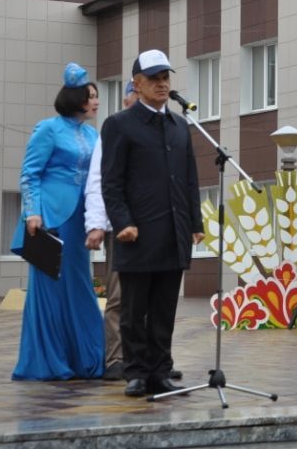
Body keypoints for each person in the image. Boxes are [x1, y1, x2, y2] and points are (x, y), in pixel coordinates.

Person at [100, 50, 205, 398]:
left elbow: (190, 177)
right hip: (137, 233)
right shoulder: (119, 124)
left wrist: (195, 220)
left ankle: (161, 371)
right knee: (134, 309)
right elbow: (111, 182)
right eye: (154, 78)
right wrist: (122, 221)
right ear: (137, 83)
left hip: (173, 232)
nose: (162, 84)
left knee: (164, 308)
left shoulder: (179, 124)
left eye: (166, 78)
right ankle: (136, 372)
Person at [84, 80, 186, 382]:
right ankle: (119, 359)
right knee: (122, 298)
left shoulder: (167, 127)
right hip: (123, 227)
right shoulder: (116, 129)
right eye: (130, 96)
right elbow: (101, 180)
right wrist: (97, 224)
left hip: (158, 228)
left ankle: (156, 363)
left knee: (157, 300)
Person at [11, 62, 104, 380]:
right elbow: (29, 174)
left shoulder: (92, 133)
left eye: (96, 96)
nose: (96, 101)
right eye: (91, 96)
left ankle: (87, 360)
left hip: (80, 217)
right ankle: (49, 362)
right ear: (76, 97)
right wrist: (32, 212)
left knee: (80, 286)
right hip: (50, 218)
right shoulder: (48, 129)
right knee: (49, 288)